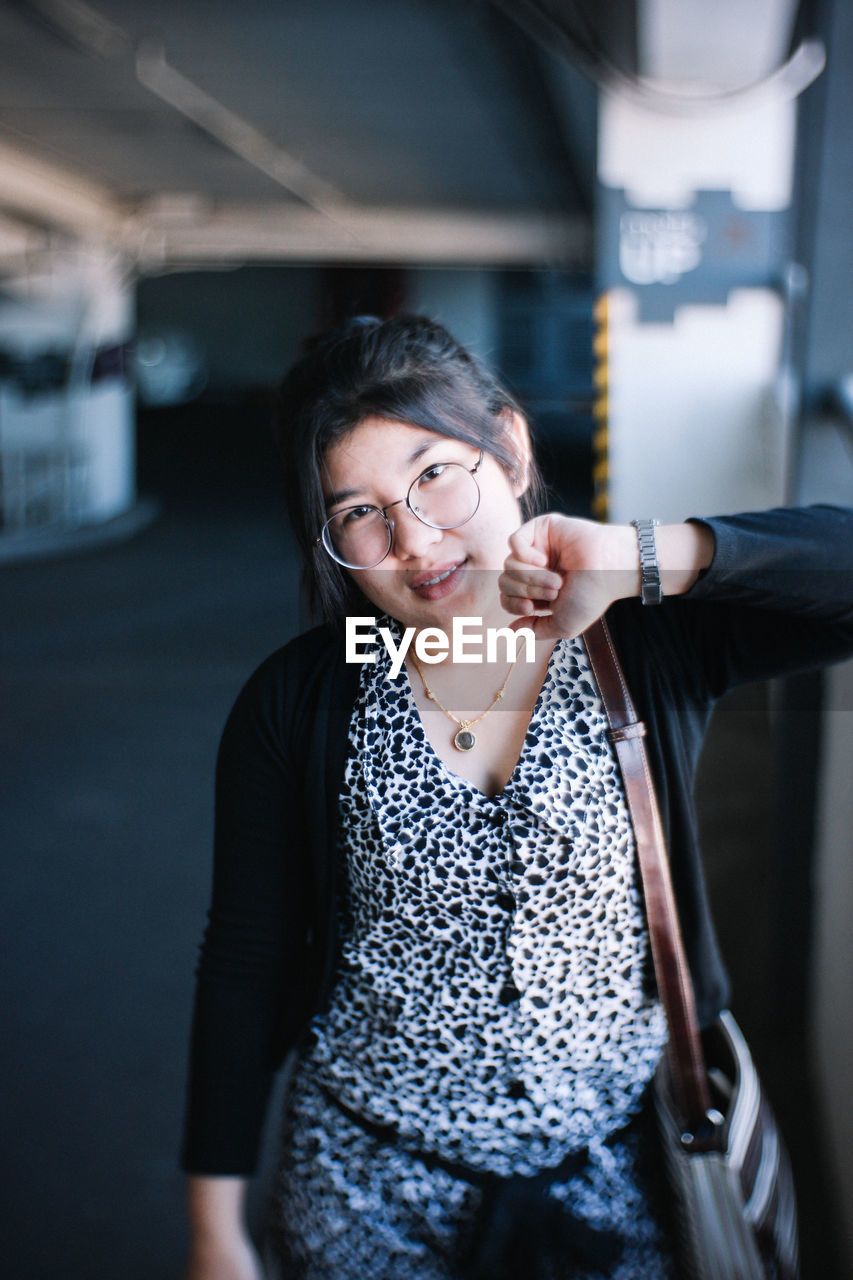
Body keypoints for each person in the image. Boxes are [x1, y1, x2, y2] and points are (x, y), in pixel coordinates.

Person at [181, 314, 853, 1280]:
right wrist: (214, 1227)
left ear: (510, 448)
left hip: (619, 1173)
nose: (413, 540)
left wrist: (646, 558)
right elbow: (243, 957)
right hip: (367, 1182)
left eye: (433, 475)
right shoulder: (302, 697)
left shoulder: (641, 644)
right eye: (357, 513)